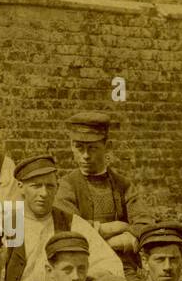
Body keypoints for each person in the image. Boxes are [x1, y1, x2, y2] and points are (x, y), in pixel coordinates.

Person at [0, 153, 121, 281]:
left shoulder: (71, 222)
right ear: (21, 187)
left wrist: (82, 278)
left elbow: (111, 264)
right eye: (36, 186)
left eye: (49, 186)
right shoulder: (3, 222)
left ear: (57, 188)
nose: (44, 193)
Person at [54, 110, 150, 260]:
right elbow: (69, 228)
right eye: (79, 147)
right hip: (85, 265)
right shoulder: (68, 185)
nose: (85, 155)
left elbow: (145, 223)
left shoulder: (122, 185)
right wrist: (114, 227)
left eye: (92, 148)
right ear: (71, 146)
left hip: (124, 263)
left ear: (107, 146)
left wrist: (118, 242)